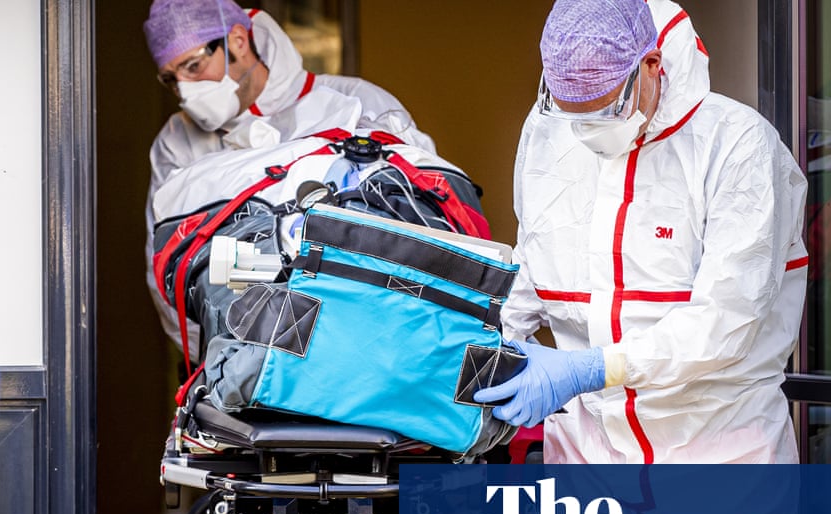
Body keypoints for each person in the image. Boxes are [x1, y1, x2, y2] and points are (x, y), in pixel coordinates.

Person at [474, 0, 808, 464]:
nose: (588, 131)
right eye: (575, 116)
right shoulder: (548, 131)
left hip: (717, 450)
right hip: (586, 452)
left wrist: (591, 368)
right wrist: (488, 343)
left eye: (607, 110)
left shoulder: (737, 146)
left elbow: (726, 321)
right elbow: (536, 254)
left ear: (651, 66)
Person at [142, 0, 439, 358]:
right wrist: (225, 361)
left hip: (370, 347)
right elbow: (172, 270)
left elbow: (422, 227)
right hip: (241, 360)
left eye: (194, 66)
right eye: (172, 79)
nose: (186, 91)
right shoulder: (178, 143)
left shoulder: (358, 105)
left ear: (237, 40)